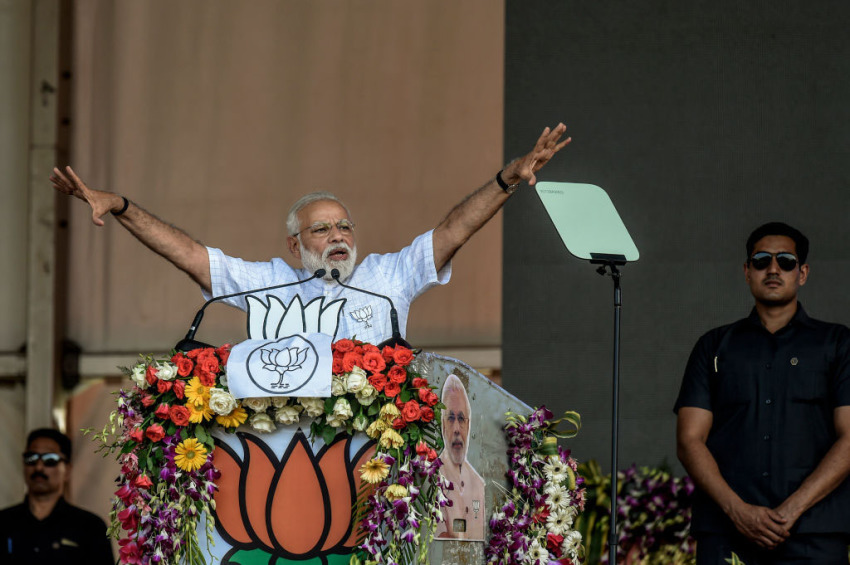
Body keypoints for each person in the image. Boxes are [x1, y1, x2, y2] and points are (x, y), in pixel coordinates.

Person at [50, 124, 571, 343]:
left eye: (344, 225)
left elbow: (455, 228)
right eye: (321, 229)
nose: (338, 235)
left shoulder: (386, 276)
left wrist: (508, 178)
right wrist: (121, 206)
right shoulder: (270, 281)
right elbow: (188, 254)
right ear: (294, 245)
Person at [675, 222, 850, 564]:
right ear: (747, 271)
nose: (773, 269)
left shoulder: (838, 344)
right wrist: (738, 511)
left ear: (802, 273)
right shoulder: (713, 346)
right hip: (727, 532)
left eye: (786, 261)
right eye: (761, 260)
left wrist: (792, 510)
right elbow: (689, 440)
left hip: (816, 533)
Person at [0, 428, 114, 565]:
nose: (38, 467)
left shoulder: (90, 527)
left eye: (50, 460)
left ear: (67, 470)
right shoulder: (3, 523)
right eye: (31, 458)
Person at [436, 374, 485, 540]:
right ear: (443, 425)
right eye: (451, 419)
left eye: (461, 419)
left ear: (468, 425)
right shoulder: (432, 478)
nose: (457, 428)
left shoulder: (478, 485)